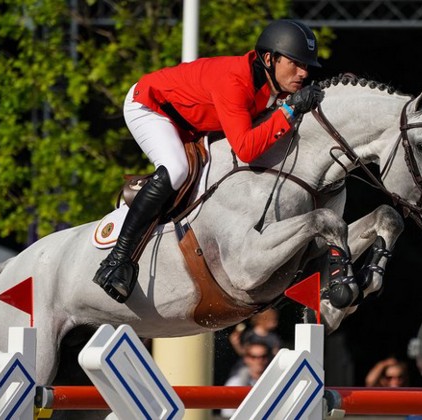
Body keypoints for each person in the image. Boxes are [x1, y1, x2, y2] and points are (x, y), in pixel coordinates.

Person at [91, 19, 325, 302]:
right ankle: (118, 260)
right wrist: (288, 110)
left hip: (192, 122)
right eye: (296, 64)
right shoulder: (234, 81)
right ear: (269, 58)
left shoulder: (270, 81)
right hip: (150, 107)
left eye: (307, 66)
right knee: (177, 169)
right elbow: (246, 150)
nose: (304, 72)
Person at [220, 339, 274, 418]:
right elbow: (227, 413)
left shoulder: (275, 380)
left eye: (263, 356)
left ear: (268, 358)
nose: (259, 360)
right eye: (253, 357)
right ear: (246, 359)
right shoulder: (235, 383)